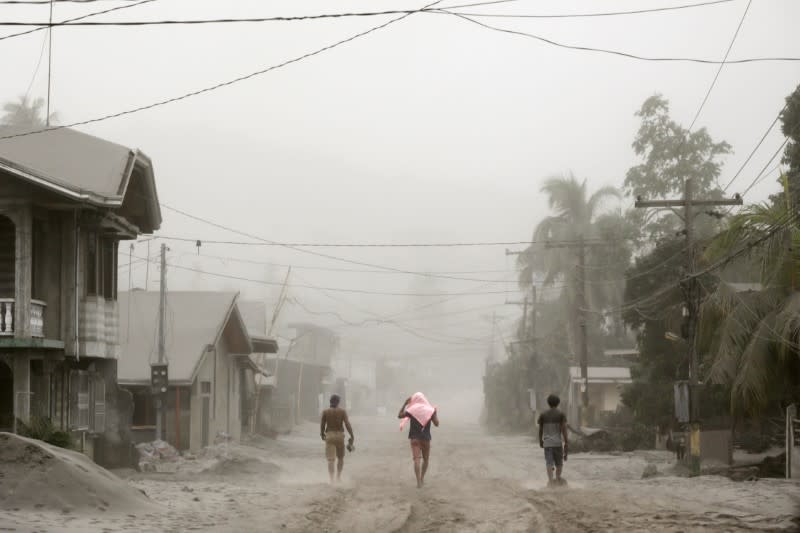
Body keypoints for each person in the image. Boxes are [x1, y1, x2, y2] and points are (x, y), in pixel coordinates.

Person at [398, 392, 439, 488]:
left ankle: (418, 482)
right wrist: (435, 413)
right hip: (425, 439)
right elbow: (437, 424)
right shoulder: (431, 410)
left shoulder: (412, 410)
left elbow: (399, 415)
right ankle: (422, 478)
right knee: (426, 460)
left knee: (417, 460)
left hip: (414, 439)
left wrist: (405, 403)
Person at [320, 394, 354, 483]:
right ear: (338, 402)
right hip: (340, 436)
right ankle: (338, 477)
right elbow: (347, 424)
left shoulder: (325, 412)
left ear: (330, 402)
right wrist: (352, 435)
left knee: (331, 460)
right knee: (341, 458)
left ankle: (331, 480)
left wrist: (322, 434)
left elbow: (322, 425)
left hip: (330, 435)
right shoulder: (342, 411)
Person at [537, 394, 568, 487]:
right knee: (559, 463)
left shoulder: (543, 415)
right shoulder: (561, 414)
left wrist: (540, 440)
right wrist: (566, 441)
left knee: (549, 462)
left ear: (548, 403)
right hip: (557, 443)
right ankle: (558, 478)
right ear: (558, 403)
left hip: (547, 443)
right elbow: (564, 429)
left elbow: (540, 429)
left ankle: (550, 481)